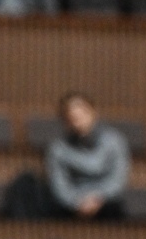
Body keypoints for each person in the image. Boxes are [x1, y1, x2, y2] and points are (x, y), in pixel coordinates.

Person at [44, 92, 129, 221]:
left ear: (93, 112)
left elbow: (117, 179)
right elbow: (59, 185)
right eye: (73, 118)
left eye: (82, 115)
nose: (78, 122)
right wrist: (77, 203)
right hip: (71, 205)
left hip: (106, 203)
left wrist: (97, 199)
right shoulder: (58, 148)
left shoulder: (114, 141)